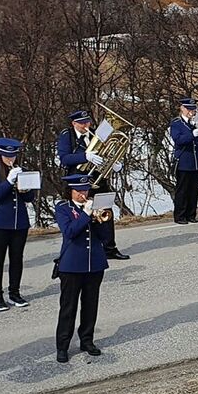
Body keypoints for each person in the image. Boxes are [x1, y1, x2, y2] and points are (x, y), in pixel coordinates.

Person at [57, 109, 129, 260]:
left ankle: (110, 248)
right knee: (81, 215)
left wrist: (115, 164)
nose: (86, 125)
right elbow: (64, 159)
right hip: (77, 182)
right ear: (74, 123)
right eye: (82, 123)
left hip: (98, 180)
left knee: (105, 213)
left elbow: (108, 153)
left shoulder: (96, 134)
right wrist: (85, 156)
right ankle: (79, 249)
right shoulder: (67, 136)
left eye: (87, 122)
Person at [54, 174, 109, 363]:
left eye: (85, 190)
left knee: (90, 305)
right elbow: (69, 232)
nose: (83, 194)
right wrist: (86, 214)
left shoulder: (93, 208)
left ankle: (87, 340)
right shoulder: (63, 209)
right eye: (79, 191)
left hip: (94, 264)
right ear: (71, 191)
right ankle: (62, 346)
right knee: (68, 307)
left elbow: (105, 238)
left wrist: (103, 218)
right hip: (71, 265)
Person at [0, 138, 37, 311]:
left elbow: (29, 199)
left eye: (13, 156)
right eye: (7, 156)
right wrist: (9, 181)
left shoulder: (22, 170)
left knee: (17, 259)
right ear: (0, 154)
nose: (10, 159)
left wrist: (27, 189)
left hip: (19, 222)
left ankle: (14, 292)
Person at [169, 97, 198, 225]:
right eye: (189, 109)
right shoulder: (176, 123)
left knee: (194, 189)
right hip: (184, 161)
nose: (192, 112)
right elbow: (178, 140)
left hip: (197, 161)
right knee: (183, 189)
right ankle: (180, 215)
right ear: (182, 109)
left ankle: (191, 214)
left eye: (193, 109)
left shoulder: (197, 122)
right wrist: (192, 134)